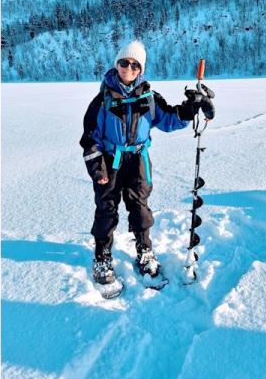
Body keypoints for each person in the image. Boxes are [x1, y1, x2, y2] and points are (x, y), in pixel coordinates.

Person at [79, 40, 214, 286]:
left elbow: (169, 119)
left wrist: (189, 108)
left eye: (134, 65)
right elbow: (90, 140)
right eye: (123, 63)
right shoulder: (102, 100)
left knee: (140, 206)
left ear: (140, 69)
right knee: (106, 208)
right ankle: (102, 255)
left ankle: (144, 250)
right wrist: (97, 168)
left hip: (139, 160)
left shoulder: (149, 97)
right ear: (116, 65)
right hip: (111, 161)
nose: (128, 68)